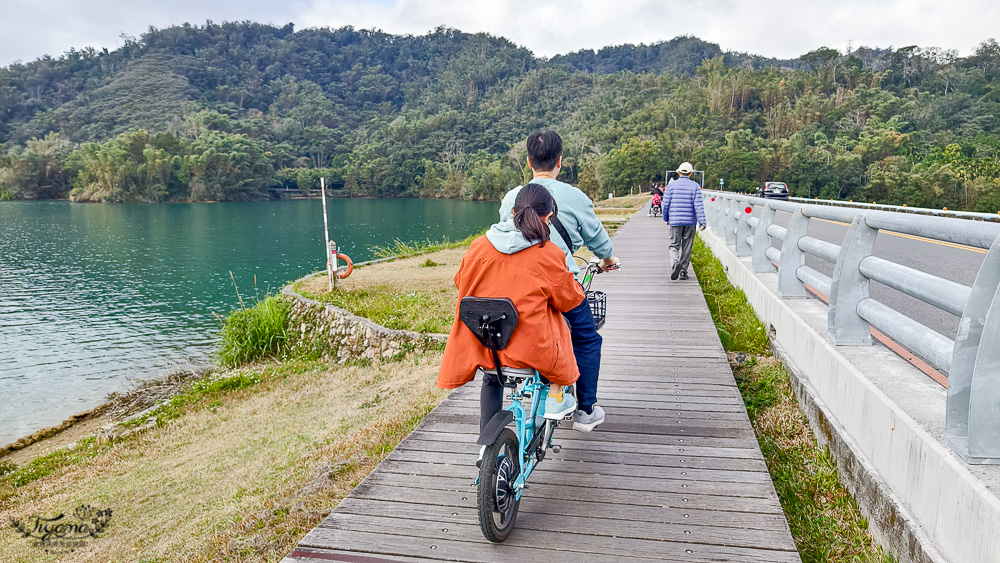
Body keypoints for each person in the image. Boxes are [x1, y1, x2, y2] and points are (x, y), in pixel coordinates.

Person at [438, 184, 585, 438]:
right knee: (563, 326)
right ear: (548, 217)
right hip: (532, 350)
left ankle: (486, 447)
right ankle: (557, 394)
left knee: (491, 378)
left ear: (513, 211)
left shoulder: (479, 246)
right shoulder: (548, 253)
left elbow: (460, 281)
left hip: (485, 346)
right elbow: (569, 300)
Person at [497, 130, 619, 431]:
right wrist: (606, 259)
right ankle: (586, 410)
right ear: (560, 161)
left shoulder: (513, 197)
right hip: (559, 285)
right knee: (587, 339)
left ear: (528, 162)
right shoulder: (575, 197)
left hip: (516, 288)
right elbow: (600, 242)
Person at [662, 161, 706, 281]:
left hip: (675, 221)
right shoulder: (695, 186)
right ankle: (683, 272)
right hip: (690, 222)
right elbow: (699, 206)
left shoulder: (671, 186)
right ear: (691, 173)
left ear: (679, 172)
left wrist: (666, 218)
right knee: (687, 247)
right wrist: (702, 222)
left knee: (674, 245)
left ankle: (675, 264)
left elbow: (665, 205)